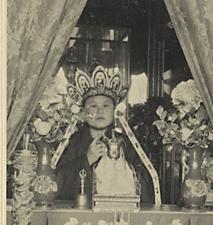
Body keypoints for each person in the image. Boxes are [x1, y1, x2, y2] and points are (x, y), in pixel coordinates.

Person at [56, 66, 154, 204]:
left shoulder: (127, 143)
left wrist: (123, 167)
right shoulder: (71, 142)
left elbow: (147, 184)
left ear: (114, 110)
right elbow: (56, 183)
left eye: (106, 106)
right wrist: (87, 159)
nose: (100, 111)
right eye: (93, 106)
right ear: (83, 111)